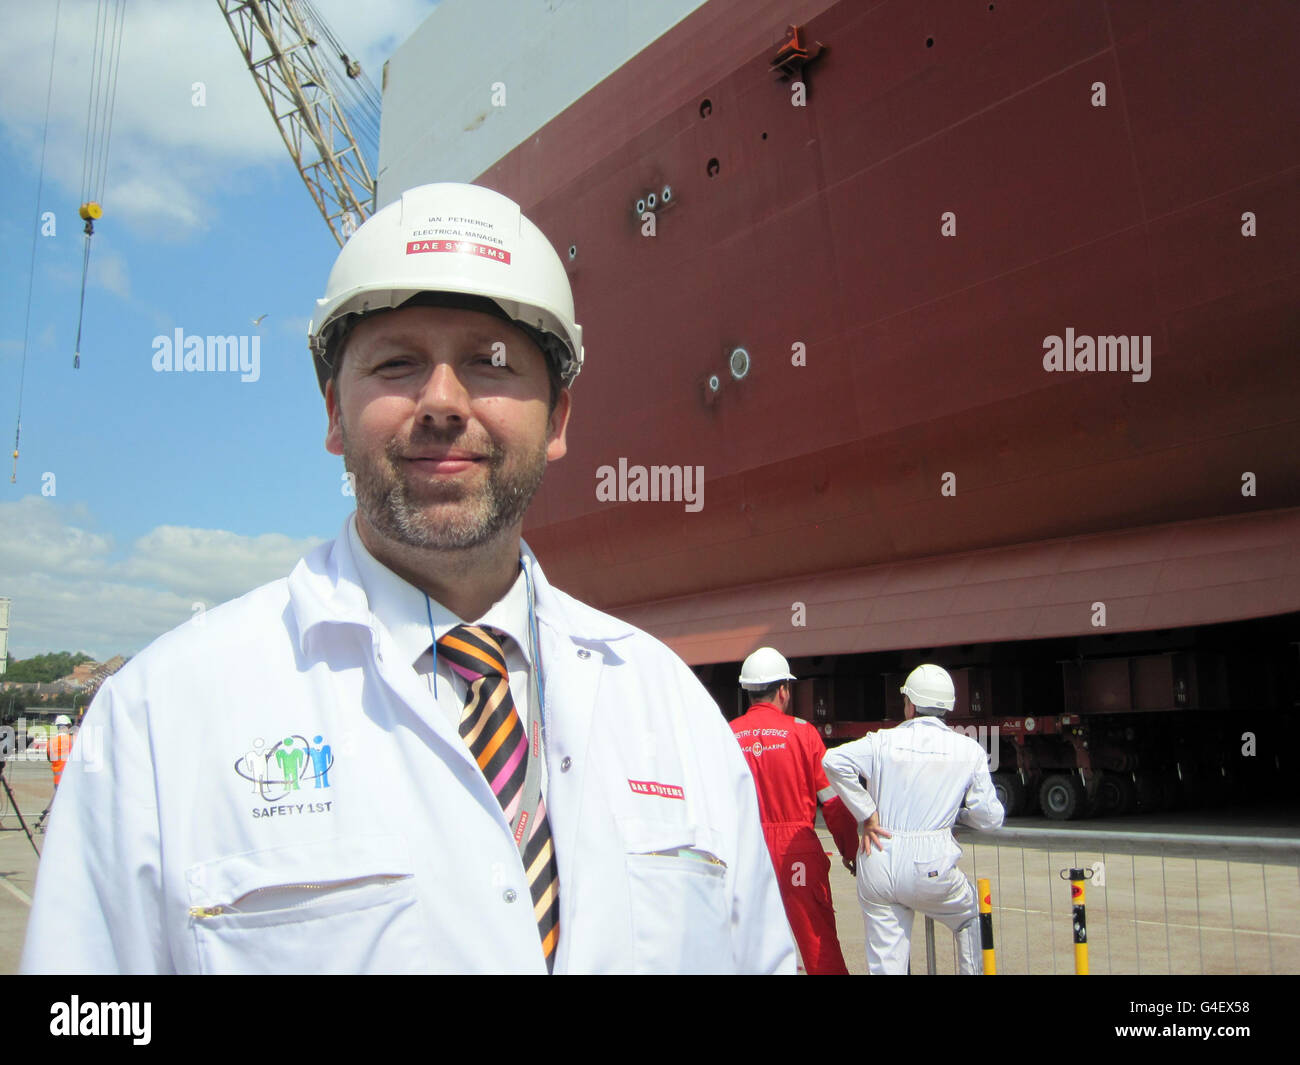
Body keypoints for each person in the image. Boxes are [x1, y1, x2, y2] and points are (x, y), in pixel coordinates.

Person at [21, 182, 793, 975]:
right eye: (398, 364)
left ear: (558, 420)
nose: (443, 403)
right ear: (332, 413)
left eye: (491, 363)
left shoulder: (668, 706)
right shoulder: (159, 720)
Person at [822, 664, 1003, 975]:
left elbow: (833, 761)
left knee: (886, 963)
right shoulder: (967, 750)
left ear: (912, 705)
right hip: (931, 864)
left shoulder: (881, 741)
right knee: (972, 915)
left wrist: (866, 812)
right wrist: (959, 815)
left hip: (878, 858)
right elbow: (990, 818)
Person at [729, 648, 859, 974]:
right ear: (784, 690)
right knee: (817, 944)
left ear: (748, 691)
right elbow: (831, 802)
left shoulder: (728, 734)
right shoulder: (802, 733)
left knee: (747, 947)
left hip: (747, 852)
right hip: (796, 851)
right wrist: (851, 850)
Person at [47, 715, 74, 790]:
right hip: (71, 780)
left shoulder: (50, 742)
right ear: (68, 726)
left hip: (57, 781)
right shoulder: (74, 739)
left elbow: (49, 759)